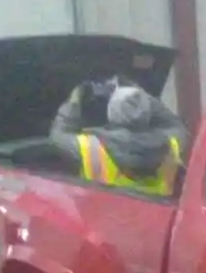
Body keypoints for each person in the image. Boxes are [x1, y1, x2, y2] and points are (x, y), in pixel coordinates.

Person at [51, 79, 187, 194]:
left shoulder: (90, 148)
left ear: (111, 112)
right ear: (148, 111)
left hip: (104, 221)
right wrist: (142, 97)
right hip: (156, 222)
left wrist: (74, 100)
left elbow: (58, 135)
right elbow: (175, 125)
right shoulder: (170, 147)